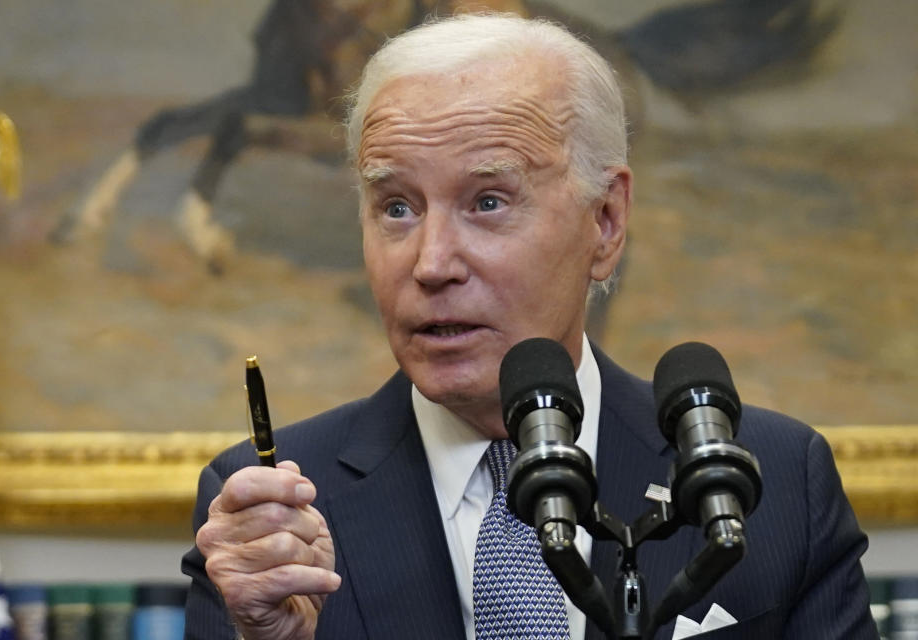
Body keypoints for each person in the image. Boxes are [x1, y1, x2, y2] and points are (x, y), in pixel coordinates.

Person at [181, 13, 877, 640]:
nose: (431, 264)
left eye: (487, 201)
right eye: (396, 207)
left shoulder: (779, 480)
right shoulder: (266, 514)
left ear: (605, 221)